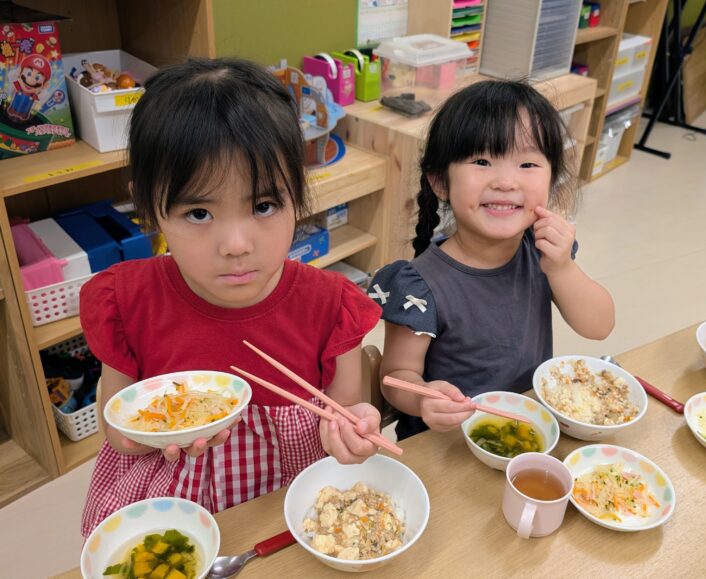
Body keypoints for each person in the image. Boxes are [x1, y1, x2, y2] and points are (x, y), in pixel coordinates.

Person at [79, 58, 383, 537]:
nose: (237, 244)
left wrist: (355, 429)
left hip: (290, 502)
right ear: (151, 209)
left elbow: (342, 420)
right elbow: (116, 430)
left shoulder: (331, 304)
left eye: (264, 206)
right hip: (170, 506)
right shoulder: (128, 300)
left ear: (297, 195)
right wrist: (158, 433)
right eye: (199, 213)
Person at [369, 80, 615, 441]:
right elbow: (395, 377)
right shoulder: (419, 284)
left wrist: (562, 267)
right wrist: (424, 401)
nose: (505, 181)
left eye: (527, 163)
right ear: (440, 182)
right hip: (446, 442)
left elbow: (599, 326)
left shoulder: (541, 252)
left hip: (526, 428)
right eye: (482, 161)